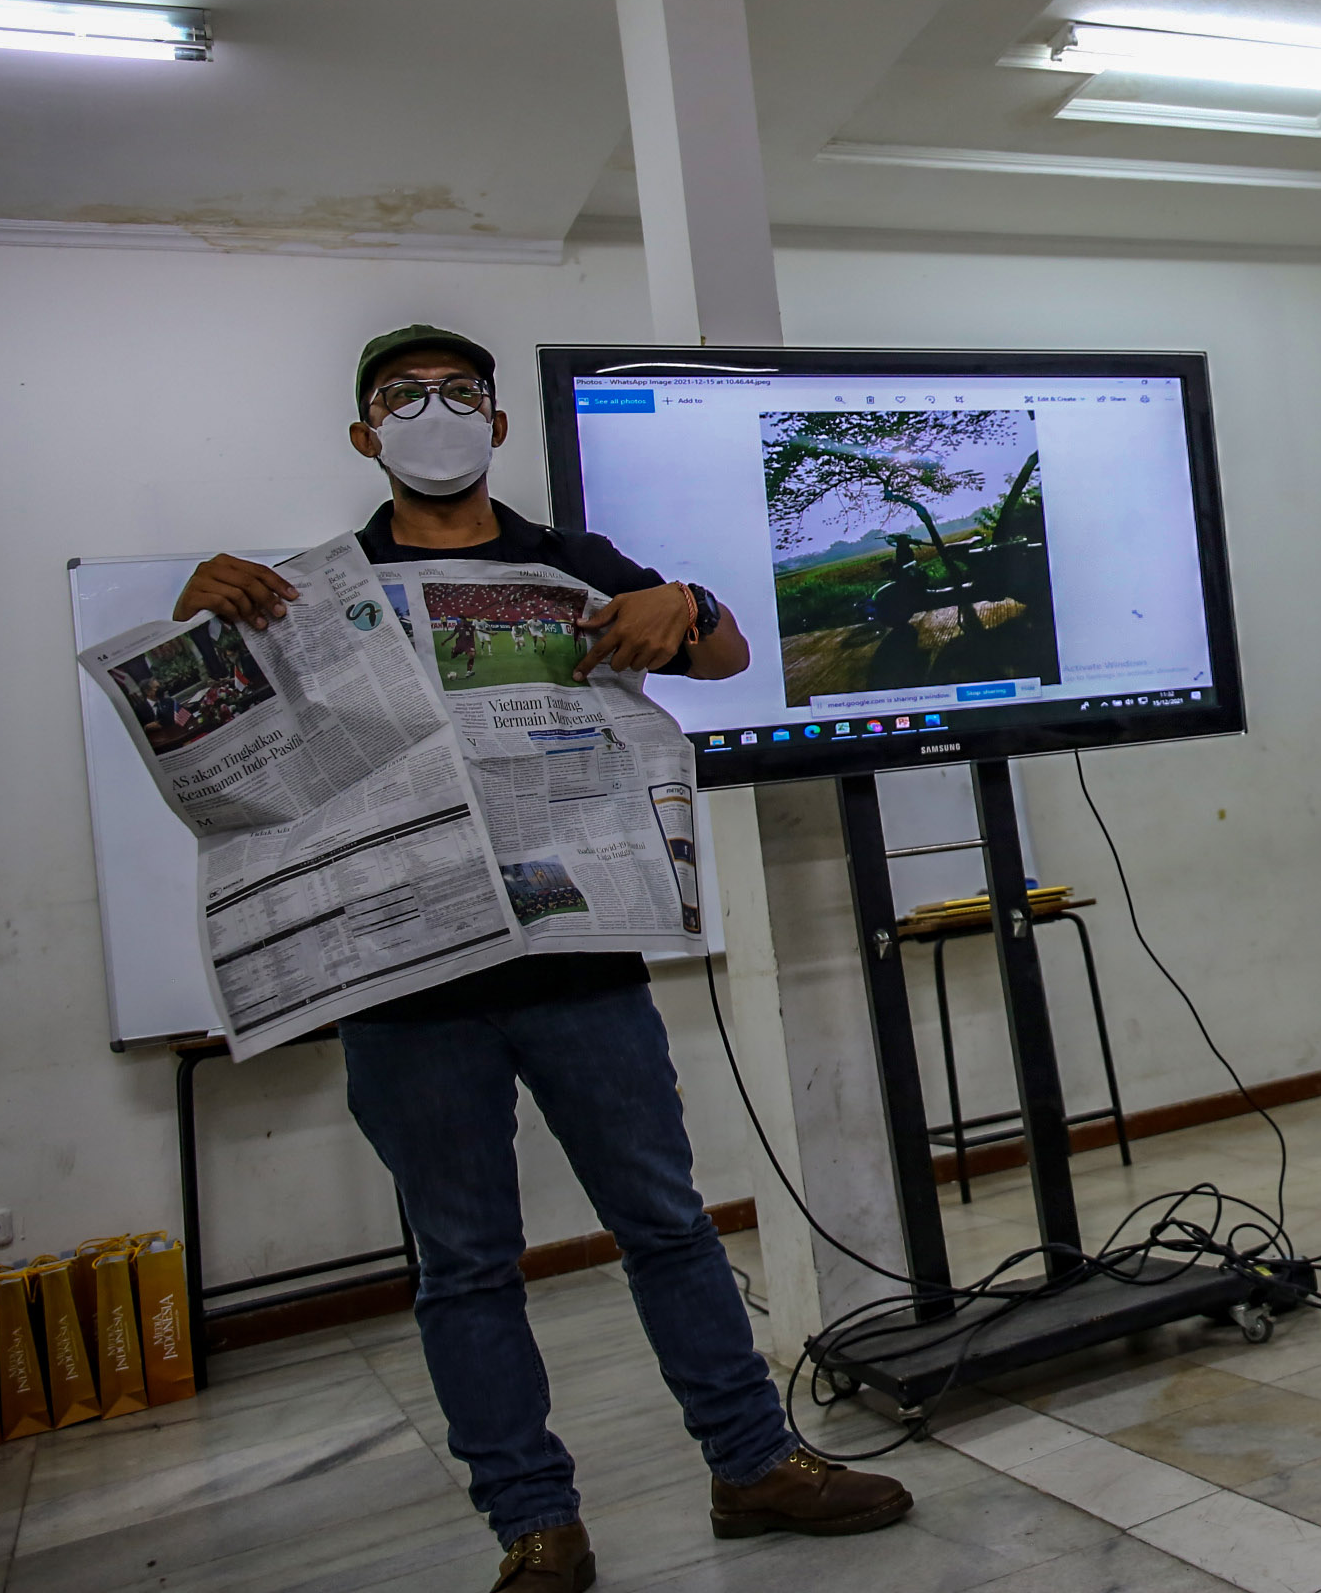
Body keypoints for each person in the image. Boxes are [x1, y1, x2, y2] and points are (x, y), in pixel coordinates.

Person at [177, 325, 912, 1593]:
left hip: (579, 972)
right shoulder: (310, 591)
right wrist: (203, 615)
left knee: (668, 1224)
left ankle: (751, 1466)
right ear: (366, 436)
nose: (432, 411)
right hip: (406, 995)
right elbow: (208, 732)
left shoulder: (571, 565)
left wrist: (689, 604)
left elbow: (726, 656)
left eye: (459, 393)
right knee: (463, 1267)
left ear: (498, 425)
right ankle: (535, 1525)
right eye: (401, 398)